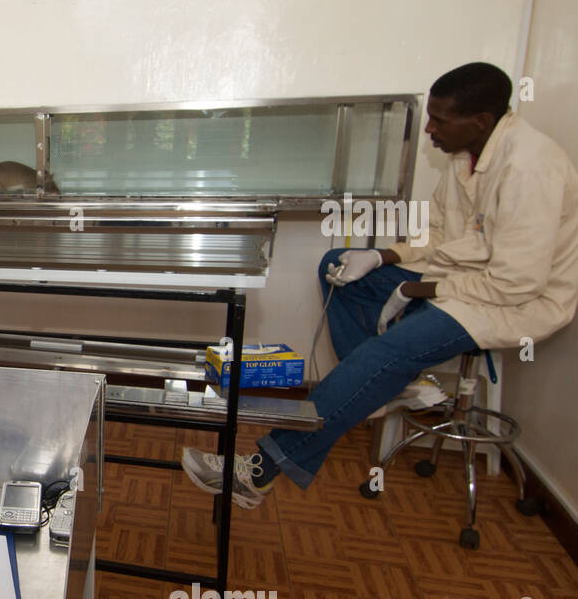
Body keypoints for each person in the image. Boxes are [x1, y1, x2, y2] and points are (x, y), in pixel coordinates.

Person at [182, 62, 578, 507]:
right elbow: (440, 239)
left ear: (481, 121)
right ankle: (392, 380)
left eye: (440, 120)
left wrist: (415, 292)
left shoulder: (530, 167)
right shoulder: (465, 157)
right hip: (463, 279)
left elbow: (516, 282)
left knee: (384, 353)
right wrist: (380, 257)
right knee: (337, 266)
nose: (428, 129)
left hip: (511, 304)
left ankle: (259, 473)